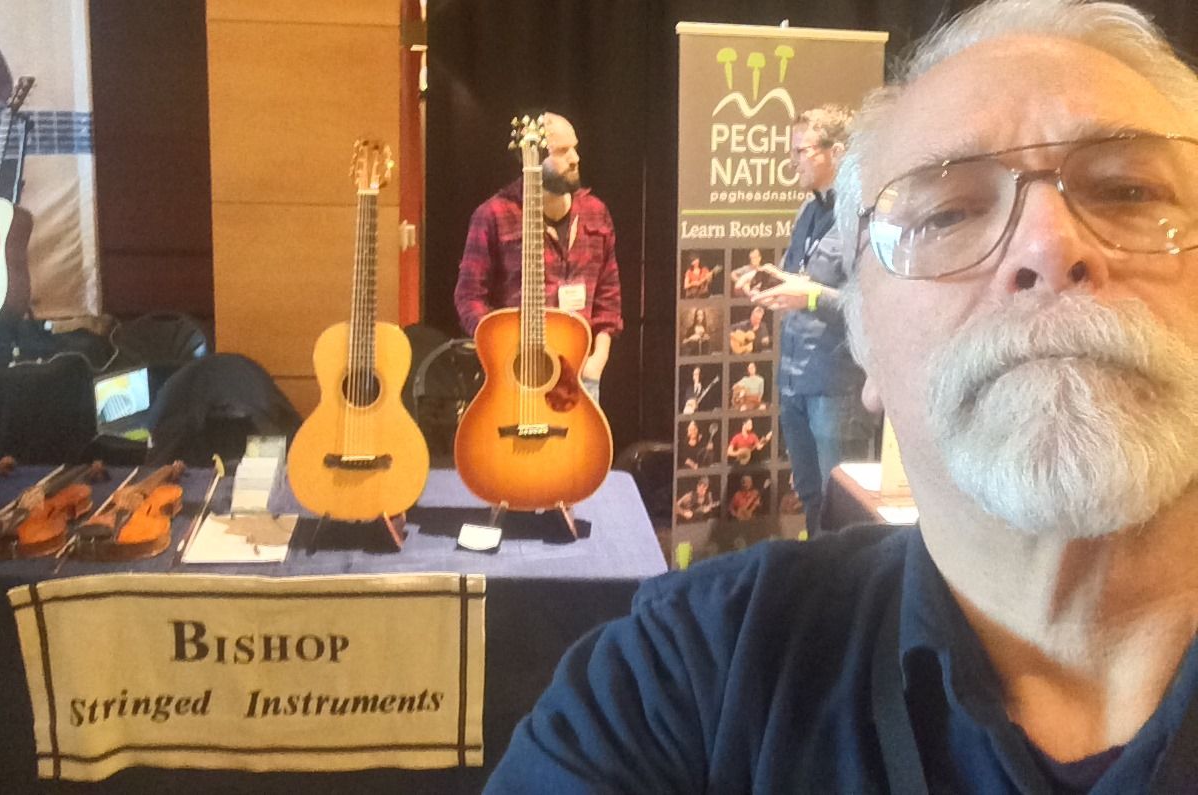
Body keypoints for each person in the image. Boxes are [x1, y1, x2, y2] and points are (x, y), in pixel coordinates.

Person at [485, 1, 1198, 791]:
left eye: (1131, 192)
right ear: (868, 342)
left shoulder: (597, 219)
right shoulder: (681, 680)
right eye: (949, 211)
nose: (1048, 244)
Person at [749, 104, 874, 537]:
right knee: (810, 497)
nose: (792, 161)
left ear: (836, 152)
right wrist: (772, 282)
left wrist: (813, 296)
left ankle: (845, 599)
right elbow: (803, 278)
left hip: (837, 389)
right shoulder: (809, 211)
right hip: (795, 382)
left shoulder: (865, 218)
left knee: (842, 511)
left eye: (801, 151)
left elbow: (873, 308)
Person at [454, 112, 622, 402]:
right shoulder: (493, 215)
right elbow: (469, 297)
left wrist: (598, 360)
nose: (575, 158)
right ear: (531, 158)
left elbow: (609, 297)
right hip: (516, 376)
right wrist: (501, 351)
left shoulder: (596, 212)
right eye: (562, 151)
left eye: (575, 147)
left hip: (579, 375)